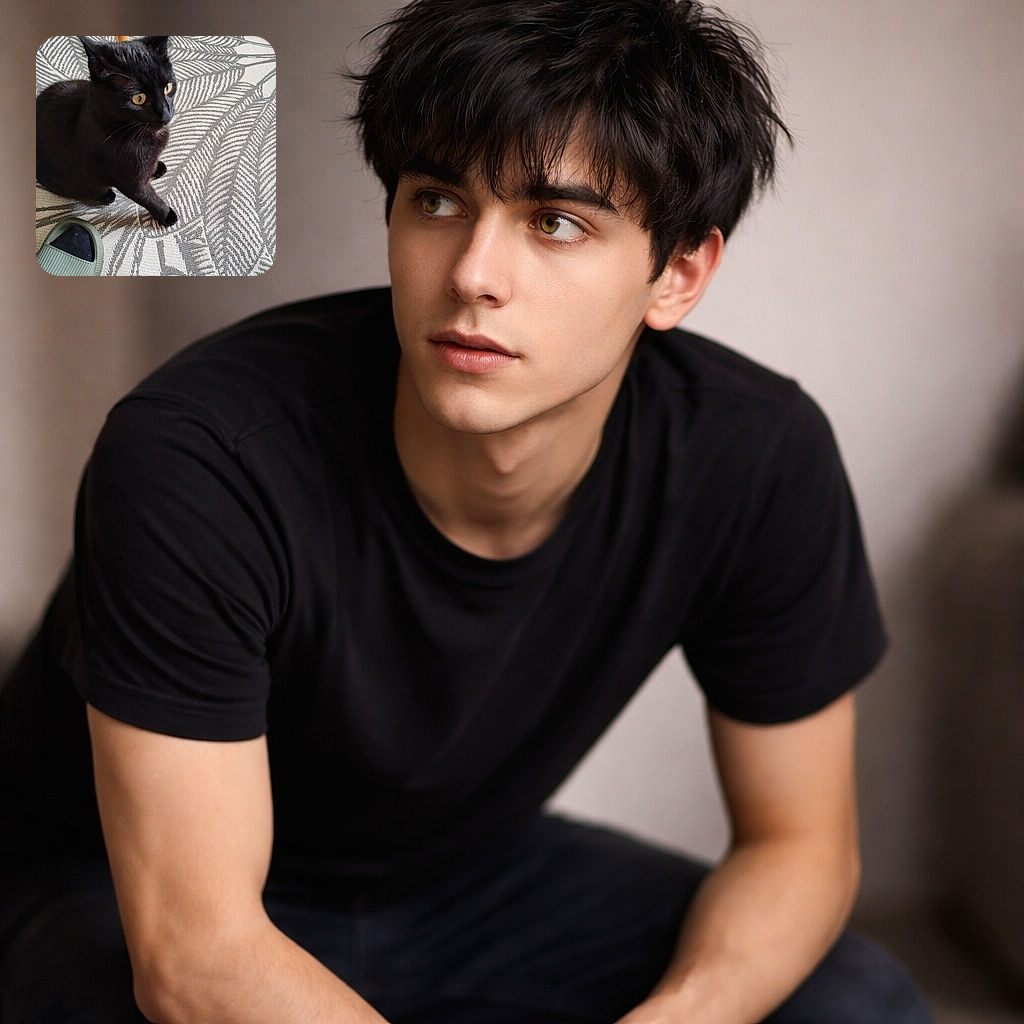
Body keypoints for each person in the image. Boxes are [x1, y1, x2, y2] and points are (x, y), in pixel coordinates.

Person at [0, 2, 934, 1022]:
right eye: (438, 201)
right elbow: (196, 957)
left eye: (555, 221)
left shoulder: (754, 454)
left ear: (676, 274)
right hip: (112, 890)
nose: (472, 276)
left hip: (457, 882)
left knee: (852, 997)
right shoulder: (202, 453)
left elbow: (798, 843)